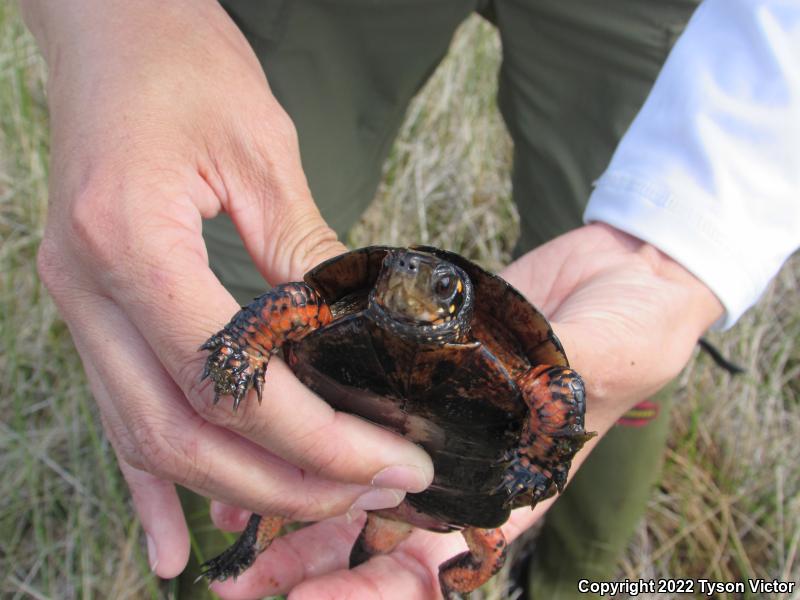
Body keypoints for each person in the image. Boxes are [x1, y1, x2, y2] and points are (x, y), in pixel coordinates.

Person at [20, 0, 799, 598]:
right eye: (400, 277)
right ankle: (223, 572)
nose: (412, 289)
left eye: (438, 289)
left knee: (616, 357)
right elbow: (281, 312)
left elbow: (560, 386)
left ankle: (576, 577)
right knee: (202, 295)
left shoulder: (518, 364)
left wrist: (680, 247)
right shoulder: (332, 308)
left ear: (461, 305)